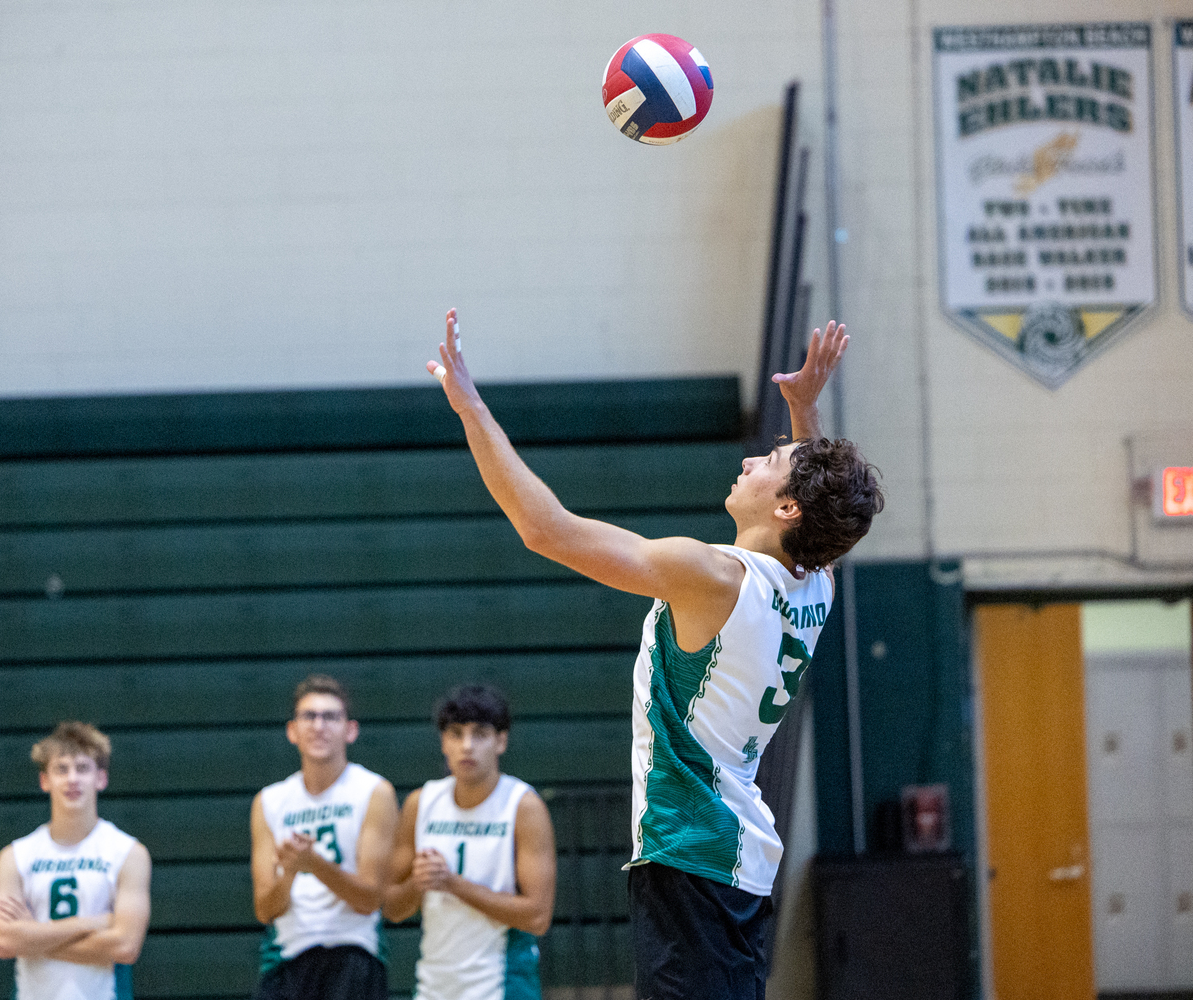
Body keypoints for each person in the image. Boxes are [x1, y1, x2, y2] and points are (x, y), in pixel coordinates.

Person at [427, 313, 883, 999]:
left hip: (694, 848)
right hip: (725, 853)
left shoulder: (713, 575)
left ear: (787, 508)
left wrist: (472, 408)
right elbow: (819, 513)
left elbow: (545, 529)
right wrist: (803, 409)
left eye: (772, 461)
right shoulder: (814, 584)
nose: (752, 459)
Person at [384, 685, 555, 1000]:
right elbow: (393, 908)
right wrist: (418, 884)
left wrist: (452, 883)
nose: (466, 746)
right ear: (443, 742)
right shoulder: (420, 803)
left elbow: (537, 917)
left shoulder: (522, 806)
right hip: (433, 987)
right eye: (455, 734)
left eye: (479, 734)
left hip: (503, 986)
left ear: (500, 741)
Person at [250, 674, 399, 1000]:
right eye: (309, 716)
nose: (319, 726)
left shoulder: (373, 792)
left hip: (354, 954)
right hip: (287, 959)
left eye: (330, 717)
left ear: (350, 730)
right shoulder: (270, 801)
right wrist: (290, 871)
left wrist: (314, 864)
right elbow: (264, 909)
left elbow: (371, 898)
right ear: (292, 731)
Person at [0, 721, 151, 1000]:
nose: (72, 779)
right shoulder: (15, 856)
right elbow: (4, 942)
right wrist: (95, 923)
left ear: (101, 778)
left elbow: (125, 946)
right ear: (45, 781)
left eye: (83, 768)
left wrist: (32, 936)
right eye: (61, 769)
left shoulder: (128, 853)